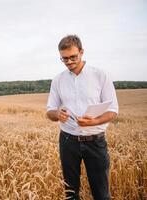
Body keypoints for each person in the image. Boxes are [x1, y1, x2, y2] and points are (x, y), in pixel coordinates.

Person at [46, 35, 118, 200]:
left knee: (101, 194)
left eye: (73, 57)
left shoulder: (101, 75)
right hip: (67, 141)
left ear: (82, 52)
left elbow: (113, 110)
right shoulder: (58, 80)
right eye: (64, 59)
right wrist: (56, 114)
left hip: (95, 141)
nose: (69, 62)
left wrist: (95, 121)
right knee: (71, 194)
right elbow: (49, 111)